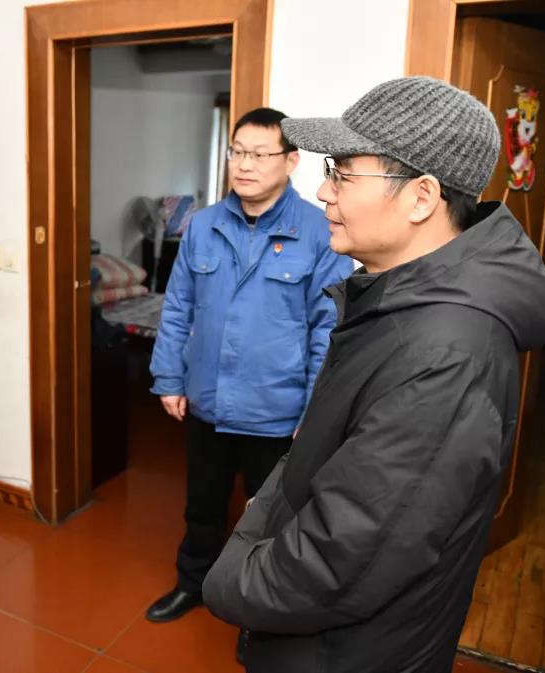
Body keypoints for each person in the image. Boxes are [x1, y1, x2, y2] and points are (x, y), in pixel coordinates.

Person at [202, 76, 545, 673]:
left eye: (343, 174)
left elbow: (343, 562)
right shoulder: (395, 299)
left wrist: (231, 578)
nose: (323, 192)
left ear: (421, 198)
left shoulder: (445, 357)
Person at [147, 107, 353, 662]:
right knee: (202, 507)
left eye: (260, 154)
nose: (245, 164)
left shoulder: (320, 230)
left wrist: (314, 412)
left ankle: (256, 616)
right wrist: (168, 376)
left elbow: (327, 332)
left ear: (291, 161)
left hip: (278, 409)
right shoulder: (203, 225)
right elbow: (178, 307)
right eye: (238, 151)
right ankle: (192, 583)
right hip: (208, 401)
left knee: (270, 523)